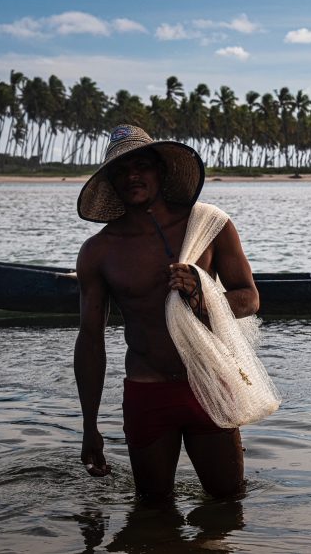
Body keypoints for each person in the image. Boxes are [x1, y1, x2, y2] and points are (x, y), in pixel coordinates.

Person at [74, 124, 261, 500]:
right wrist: (90, 425)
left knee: (228, 503)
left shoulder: (210, 225)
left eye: (141, 165)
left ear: (160, 170)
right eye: (121, 171)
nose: (132, 176)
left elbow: (250, 299)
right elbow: (90, 340)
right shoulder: (99, 251)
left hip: (209, 384)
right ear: (111, 181)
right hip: (147, 391)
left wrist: (204, 295)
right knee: (152, 510)